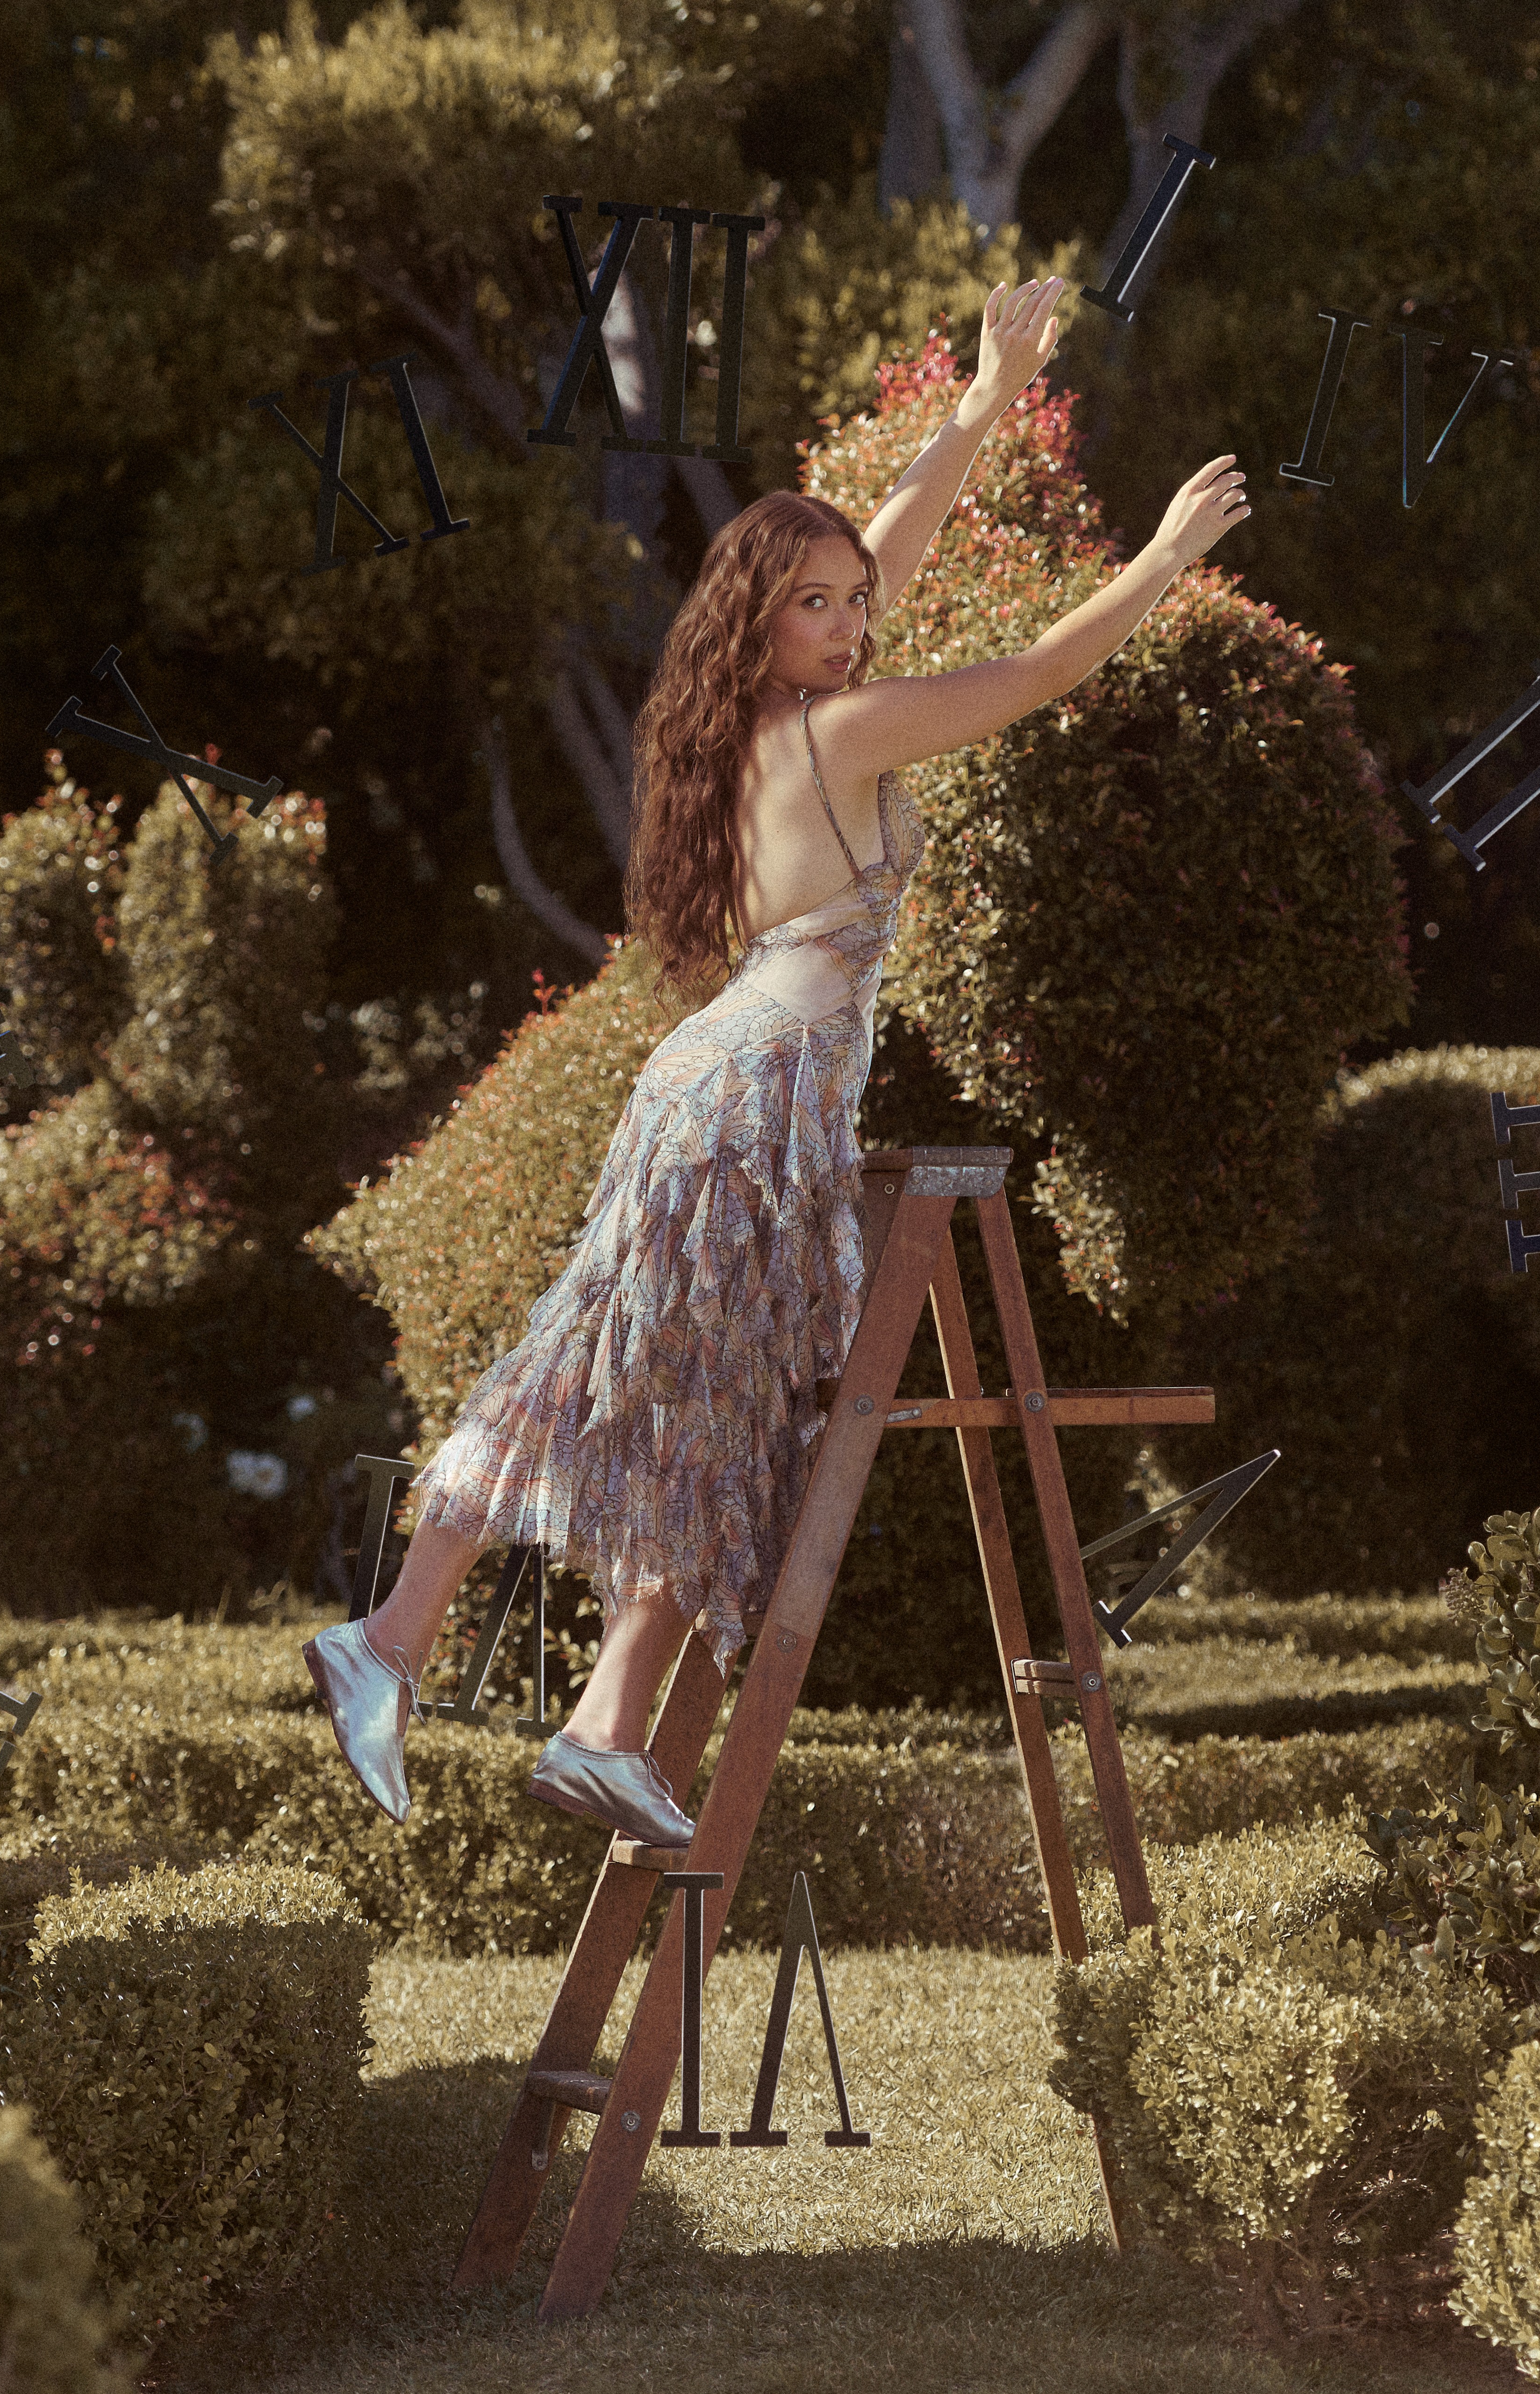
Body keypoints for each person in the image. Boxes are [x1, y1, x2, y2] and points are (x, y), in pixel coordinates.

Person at [304, 275, 1250, 1844]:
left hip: (729, 1086)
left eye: (851, 604)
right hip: (742, 1103)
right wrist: (1158, 562)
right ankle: (391, 1639)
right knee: (623, 1389)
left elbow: (891, 541)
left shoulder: (751, 724)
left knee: (710, 1418)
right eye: (817, 604)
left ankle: (583, 1717)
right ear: (760, 615)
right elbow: (1026, 684)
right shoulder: (834, 733)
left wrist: (983, 398)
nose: (851, 618)